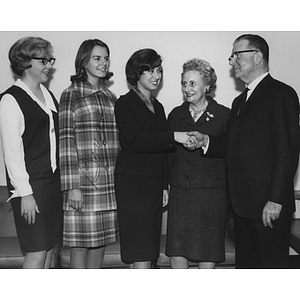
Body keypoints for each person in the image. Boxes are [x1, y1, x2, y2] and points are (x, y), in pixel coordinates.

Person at [188, 34, 300, 268]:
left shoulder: (281, 94)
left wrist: (275, 200)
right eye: (232, 56)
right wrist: (205, 140)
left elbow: (286, 152)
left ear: (257, 56)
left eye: (237, 55)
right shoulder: (240, 101)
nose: (232, 61)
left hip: (268, 207)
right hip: (242, 206)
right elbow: (231, 144)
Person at [114, 48, 195, 269]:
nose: (155, 76)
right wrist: (173, 136)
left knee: (148, 250)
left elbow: (162, 153)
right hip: (133, 184)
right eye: (148, 70)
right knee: (140, 249)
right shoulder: (124, 103)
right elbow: (137, 141)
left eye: (158, 70)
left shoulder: (158, 107)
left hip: (152, 184)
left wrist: (163, 186)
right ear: (136, 74)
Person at [0, 36, 63, 268]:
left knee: (50, 250)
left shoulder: (48, 96)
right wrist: (24, 193)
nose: (49, 65)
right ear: (25, 62)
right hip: (30, 186)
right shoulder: (10, 99)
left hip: (52, 184)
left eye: (50, 60)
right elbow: (12, 151)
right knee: (37, 251)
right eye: (44, 61)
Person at [58, 39, 119, 268]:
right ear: (84, 61)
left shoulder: (112, 98)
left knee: (100, 244)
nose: (103, 63)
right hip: (82, 185)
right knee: (80, 245)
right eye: (97, 58)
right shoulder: (71, 94)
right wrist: (72, 186)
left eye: (106, 58)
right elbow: (65, 143)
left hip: (109, 184)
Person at [166, 58, 230, 269]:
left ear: (207, 85)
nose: (187, 89)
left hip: (211, 195)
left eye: (192, 83)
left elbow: (230, 151)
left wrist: (205, 142)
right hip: (180, 192)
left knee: (207, 251)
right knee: (177, 250)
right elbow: (167, 155)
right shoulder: (176, 115)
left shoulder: (224, 115)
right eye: (184, 83)